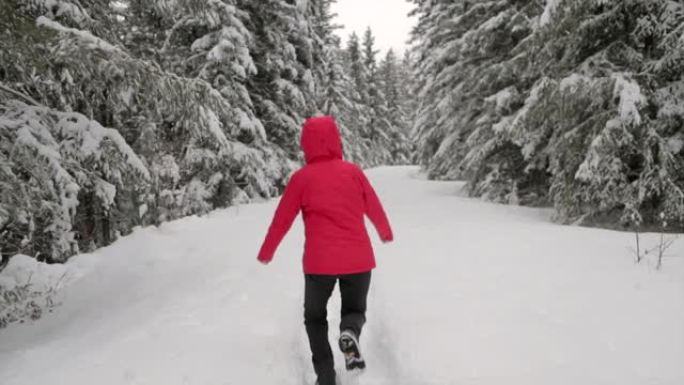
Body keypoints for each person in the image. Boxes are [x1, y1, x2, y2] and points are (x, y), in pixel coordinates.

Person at [257, 116, 394, 385]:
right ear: (336, 140)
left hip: (319, 265)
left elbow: (281, 219)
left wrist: (267, 251)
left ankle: (326, 377)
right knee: (354, 310)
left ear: (306, 144)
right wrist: (385, 233)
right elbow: (374, 206)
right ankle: (350, 331)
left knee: (315, 318)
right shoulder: (353, 172)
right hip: (358, 260)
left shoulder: (301, 179)